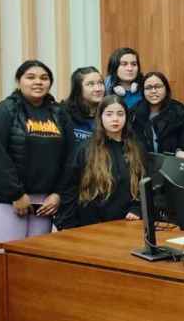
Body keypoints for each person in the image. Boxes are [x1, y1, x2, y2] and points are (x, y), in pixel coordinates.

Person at [0, 60, 73, 241]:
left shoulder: (59, 113)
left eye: (44, 78)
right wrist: (16, 194)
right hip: (5, 198)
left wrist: (58, 194)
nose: (38, 82)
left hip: (44, 201)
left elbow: (69, 158)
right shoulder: (4, 110)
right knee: (7, 253)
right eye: (30, 77)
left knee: (35, 254)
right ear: (18, 81)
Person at [59, 95, 144, 229]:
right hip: (90, 225)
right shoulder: (85, 149)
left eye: (120, 114)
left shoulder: (137, 149)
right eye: (109, 114)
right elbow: (69, 189)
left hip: (127, 224)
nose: (115, 119)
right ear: (100, 117)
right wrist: (68, 225)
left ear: (126, 117)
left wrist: (137, 209)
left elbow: (145, 186)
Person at [131, 71, 184, 162]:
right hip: (142, 167)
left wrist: (179, 151)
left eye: (158, 86)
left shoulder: (179, 111)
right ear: (143, 91)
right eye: (148, 88)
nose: (153, 91)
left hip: (172, 166)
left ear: (166, 89)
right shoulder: (135, 113)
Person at [63, 66, 105, 143]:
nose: (98, 89)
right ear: (78, 88)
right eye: (90, 84)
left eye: (100, 83)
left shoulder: (107, 114)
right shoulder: (64, 114)